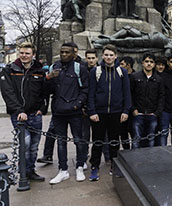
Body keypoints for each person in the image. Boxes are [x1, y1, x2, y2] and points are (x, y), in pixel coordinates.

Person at [0, 42, 47, 181]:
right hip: (19, 115)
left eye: (27, 53)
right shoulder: (9, 70)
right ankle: (23, 171)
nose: (24, 56)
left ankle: (30, 170)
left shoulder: (39, 70)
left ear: (33, 55)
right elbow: (8, 93)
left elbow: (44, 92)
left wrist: (42, 108)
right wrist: (19, 110)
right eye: (22, 53)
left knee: (34, 146)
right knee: (25, 143)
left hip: (35, 114)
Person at [45, 42, 89, 184]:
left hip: (74, 111)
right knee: (61, 141)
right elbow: (48, 90)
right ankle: (63, 170)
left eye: (67, 52)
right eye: (62, 52)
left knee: (78, 140)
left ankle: (80, 167)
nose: (64, 54)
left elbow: (85, 89)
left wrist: (77, 105)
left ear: (73, 54)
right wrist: (49, 78)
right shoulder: (54, 67)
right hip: (58, 111)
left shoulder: (79, 68)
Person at [87, 44, 131, 181]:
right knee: (97, 141)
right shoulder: (96, 71)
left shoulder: (122, 72)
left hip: (116, 112)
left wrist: (125, 110)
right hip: (99, 112)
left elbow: (126, 93)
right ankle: (94, 167)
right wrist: (92, 111)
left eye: (111, 55)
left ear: (116, 56)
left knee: (114, 141)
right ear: (102, 56)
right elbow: (91, 93)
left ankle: (114, 164)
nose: (108, 57)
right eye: (106, 55)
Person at [130, 54, 164, 148]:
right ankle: (134, 160)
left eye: (151, 62)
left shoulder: (158, 79)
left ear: (154, 64)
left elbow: (161, 96)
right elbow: (130, 94)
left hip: (152, 114)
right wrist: (133, 109)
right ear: (142, 63)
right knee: (136, 138)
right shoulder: (135, 77)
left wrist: (157, 112)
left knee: (151, 138)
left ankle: (150, 160)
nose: (149, 64)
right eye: (147, 61)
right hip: (138, 114)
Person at [118, 56, 135, 150]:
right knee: (123, 133)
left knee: (134, 132)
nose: (120, 66)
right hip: (121, 108)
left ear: (128, 65)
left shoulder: (135, 76)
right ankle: (126, 150)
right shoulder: (119, 76)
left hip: (132, 109)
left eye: (122, 64)